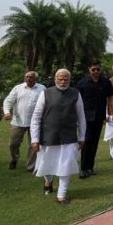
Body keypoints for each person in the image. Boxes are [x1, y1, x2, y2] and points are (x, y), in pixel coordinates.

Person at [30, 69, 85, 204]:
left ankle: (61, 195)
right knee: (46, 165)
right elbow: (36, 117)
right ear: (55, 79)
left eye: (66, 79)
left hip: (69, 136)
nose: (63, 81)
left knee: (66, 165)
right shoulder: (45, 93)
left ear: (69, 79)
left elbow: (81, 117)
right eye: (60, 79)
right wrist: (35, 139)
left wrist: (82, 136)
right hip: (48, 136)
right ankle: (48, 182)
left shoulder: (75, 94)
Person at [76, 61, 113, 178]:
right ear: (89, 69)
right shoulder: (82, 83)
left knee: (94, 143)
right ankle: (83, 169)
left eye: (98, 69)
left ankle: (90, 167)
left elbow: (111, 96)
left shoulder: (105, 82)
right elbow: (76, 100)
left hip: (99, 116)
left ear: (101, 69)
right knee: (86, 142)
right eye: (94, 69)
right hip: (85, 117)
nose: (96, 72)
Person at [3, 71, 46, 170]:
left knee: (34, 144)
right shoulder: (18, 88)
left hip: (36, 122)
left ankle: (30, 166)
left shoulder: (42, 88)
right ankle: (14, 158)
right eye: (26, 77)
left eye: (31, 77)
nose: (28, 79)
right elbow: (8, 101)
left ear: (36, 78)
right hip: (18, 121)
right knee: (13, 144)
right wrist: (6, 112)